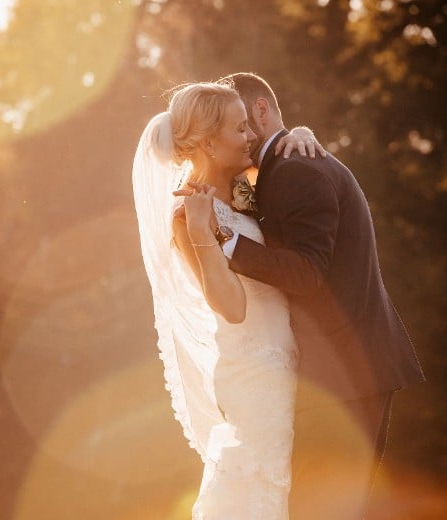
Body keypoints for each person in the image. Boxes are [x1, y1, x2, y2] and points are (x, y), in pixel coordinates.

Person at [216, 72, 426, 519]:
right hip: (341, 371)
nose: (236, 134)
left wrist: (226, 243)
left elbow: (308, 272)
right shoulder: (282, 167)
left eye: (238, 122)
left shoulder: (296, 169)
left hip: (346, 375)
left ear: (259, 110)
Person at [131, 81, 322, 519]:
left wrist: (302, 136)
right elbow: (233, 307)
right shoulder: (186, 216)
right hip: (257, 377)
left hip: (290, 364)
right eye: (240, 128)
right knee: (264, 492)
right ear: (209, 143)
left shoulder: (243, 186)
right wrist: (202, 233)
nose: (251, 135)